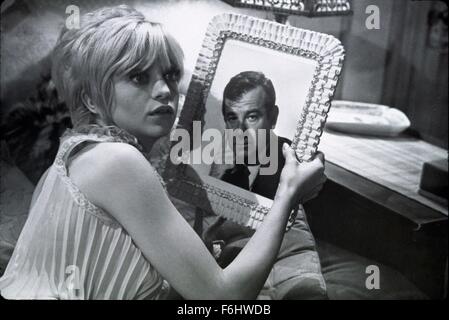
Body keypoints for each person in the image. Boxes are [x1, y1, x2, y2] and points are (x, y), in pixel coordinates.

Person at [0, 5, 325, 300]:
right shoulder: (117, 162)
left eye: (170, 75)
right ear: (90, 99)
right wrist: (288, 194)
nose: (164, 91)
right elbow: (223, 300)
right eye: (139, 77)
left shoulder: (75, 151)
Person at [204, 71, 328, 299]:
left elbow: (294, 252)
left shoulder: (290, 163)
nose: (240, 131)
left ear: (273, 117)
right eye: (232, 118)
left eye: (252, 117)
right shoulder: (219, 164)